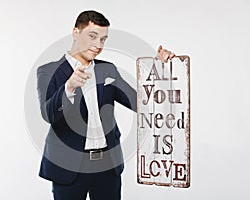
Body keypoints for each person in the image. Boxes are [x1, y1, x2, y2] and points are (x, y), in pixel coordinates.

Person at [37, 10, 175, 200]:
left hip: (107, 166)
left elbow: (140, 103)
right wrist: (68, 87)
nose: (98, 45)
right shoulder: (48, 71)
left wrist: (159, 68)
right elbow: (48, 115)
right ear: (76, 32)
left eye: (103, 39)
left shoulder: (107, 69)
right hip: (68, 167)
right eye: (92, 36)